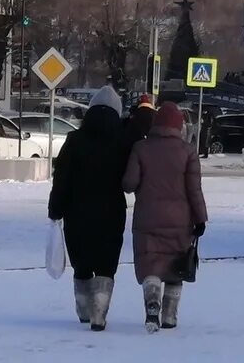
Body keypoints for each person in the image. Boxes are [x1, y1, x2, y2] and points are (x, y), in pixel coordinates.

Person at [48, 86, 133, 331]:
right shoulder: (123, 141)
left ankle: (84, 309)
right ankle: (99, 315)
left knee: (82, 262)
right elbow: (130, 178)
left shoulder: (74, 140)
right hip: (111, 212)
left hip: (77, 212)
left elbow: (61, 178)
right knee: (106, 263)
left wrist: (56, 208)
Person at [123, 101, 208, 333]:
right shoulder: (188, 151)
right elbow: (194, 190)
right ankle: (169, 315)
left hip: (147, 218)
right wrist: (201, 218)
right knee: (175, 267)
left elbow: (129, 184)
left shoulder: (141, 148)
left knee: (151, 264)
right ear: (179, 126)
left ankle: (152, 302)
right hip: (181, 221)